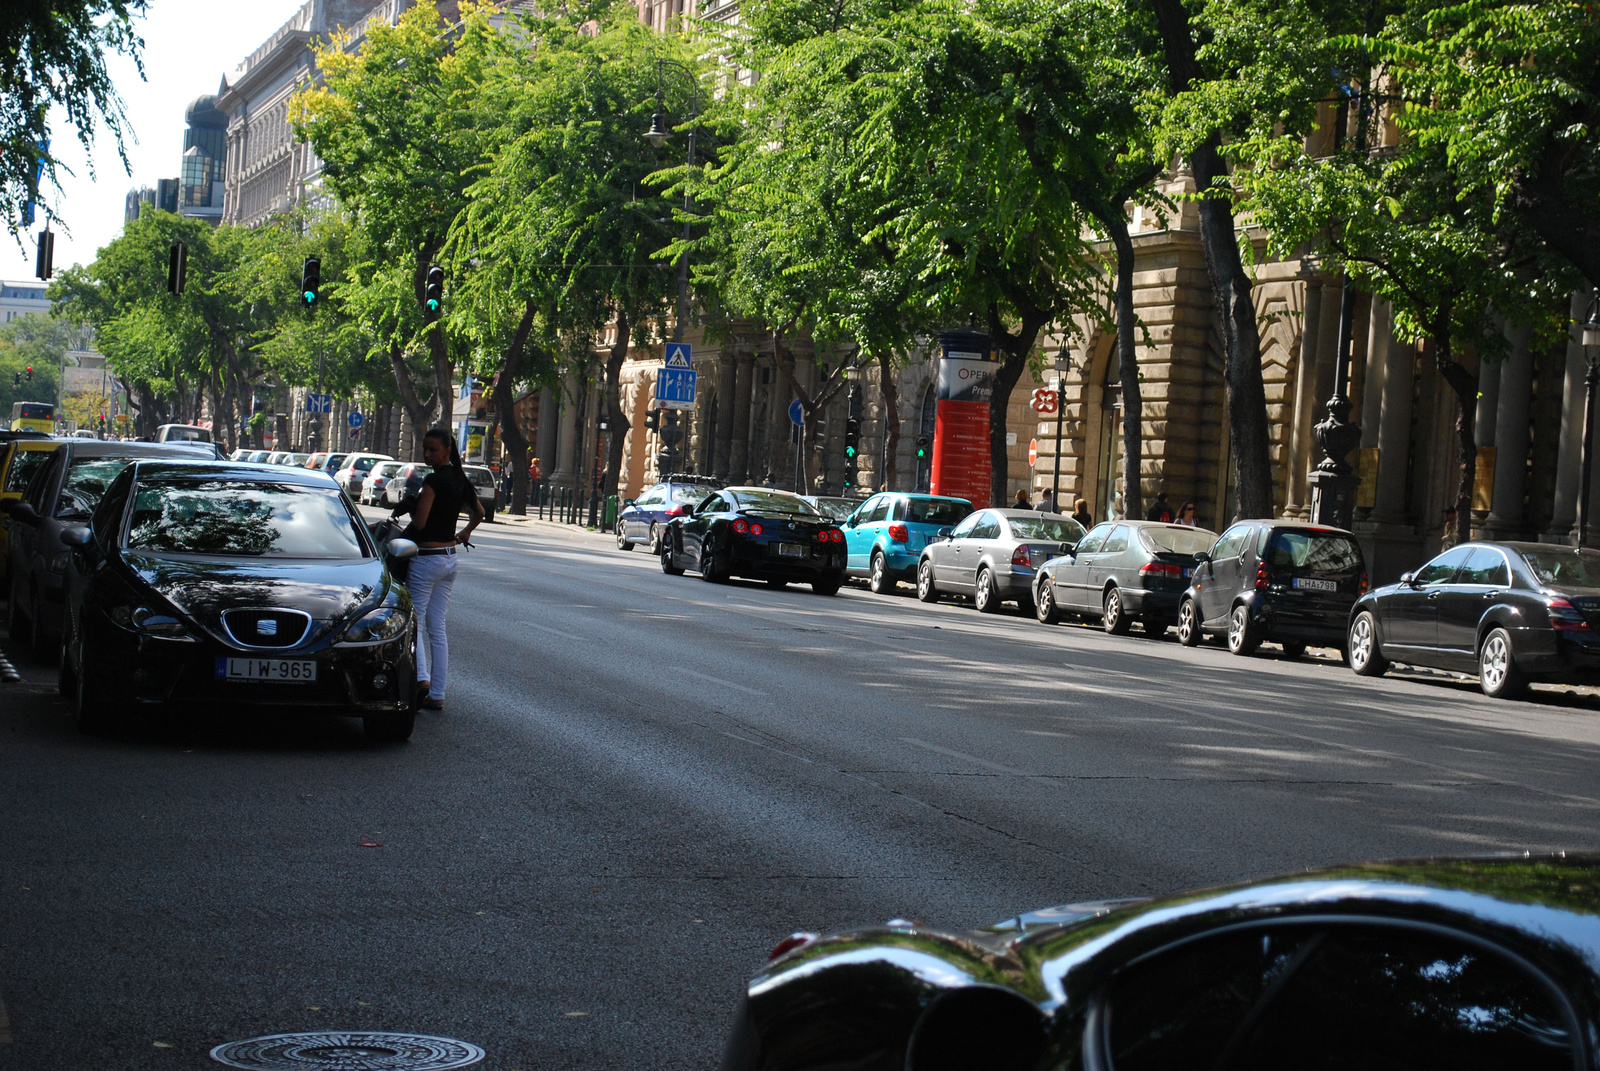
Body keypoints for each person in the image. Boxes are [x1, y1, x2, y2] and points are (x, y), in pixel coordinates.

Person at [408, 428, 484, 711]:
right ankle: (437, 694)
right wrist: (464, 533)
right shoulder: (460, 479)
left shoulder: (432, 481)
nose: (427, 454)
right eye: (424, 449)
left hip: (426, 558)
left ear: (446, 451)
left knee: (415, 622)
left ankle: (422, 680)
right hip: (449, 558)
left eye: (432, 450)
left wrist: (411, 506)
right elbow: (480, 513)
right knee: (437, 628)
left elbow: (419, 524)